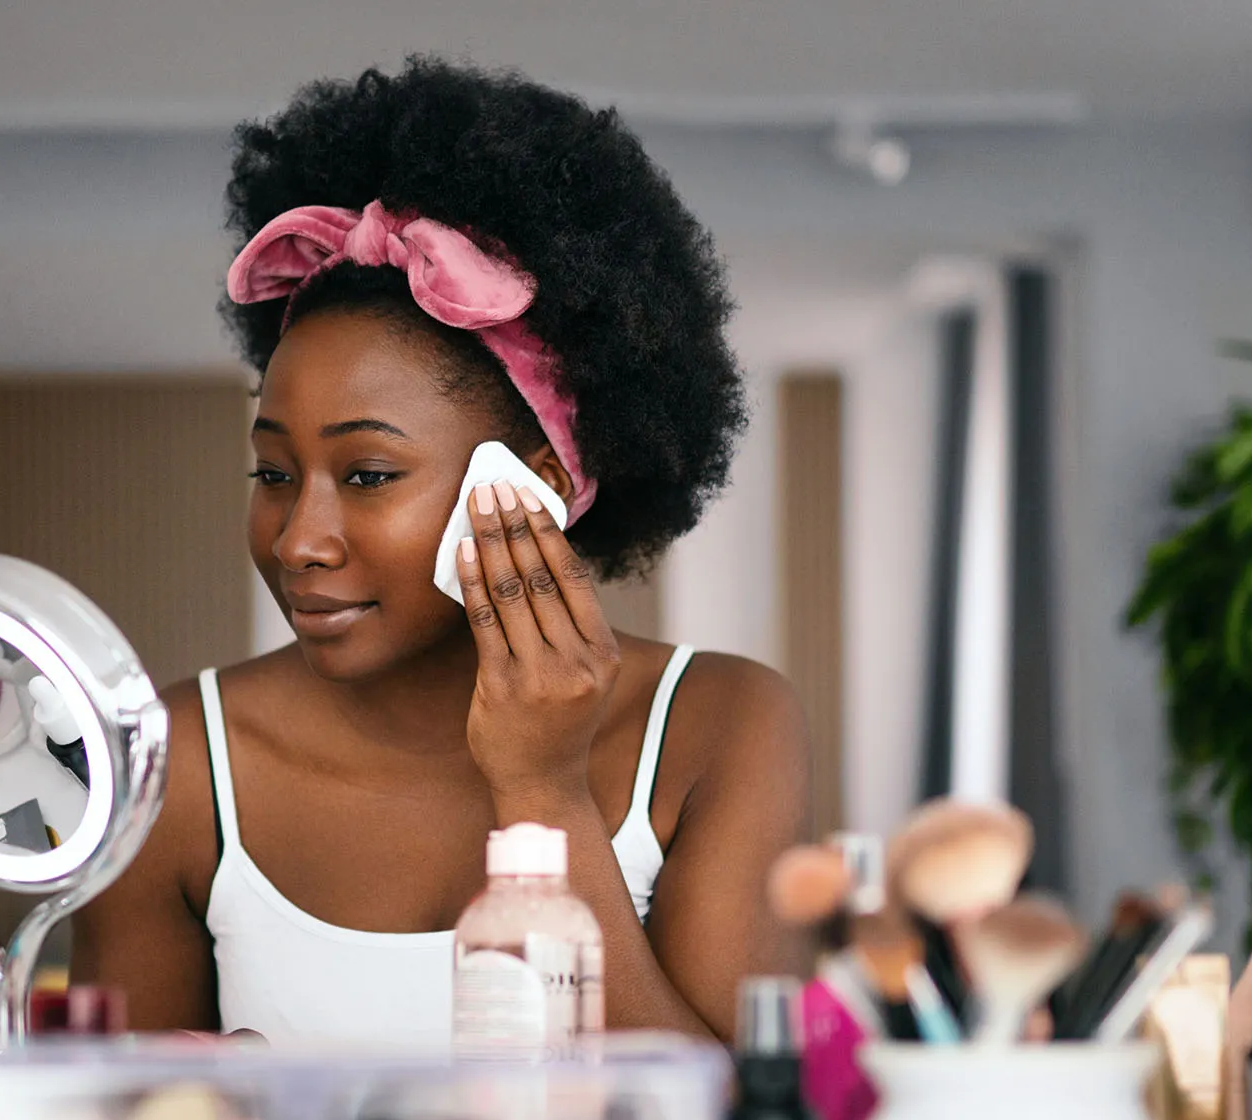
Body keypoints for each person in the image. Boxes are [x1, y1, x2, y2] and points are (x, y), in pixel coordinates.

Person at [71, 58, 809, 1046]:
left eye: (368, 474)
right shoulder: (180, 765)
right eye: (273, 472)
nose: (297, 540)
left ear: (530, 486)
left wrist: (541, 790)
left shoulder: (718, 726)